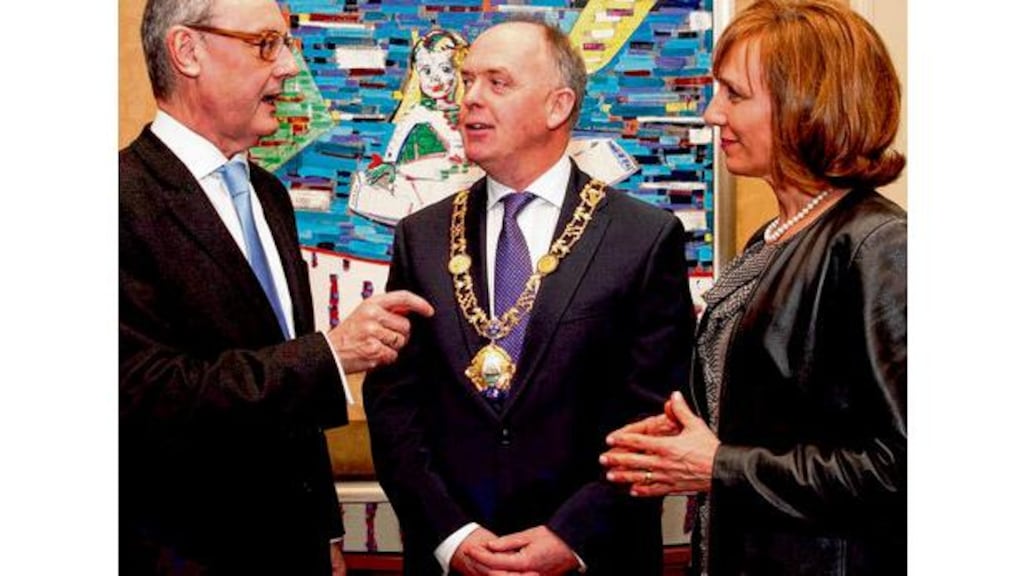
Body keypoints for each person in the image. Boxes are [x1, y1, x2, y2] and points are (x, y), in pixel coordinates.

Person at [363, 18, 696, 576]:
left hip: (593, 558)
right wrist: (452, 536)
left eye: (497, 82)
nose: (470, 98)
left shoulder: (642, 238)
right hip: (455, 558)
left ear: (557, 106)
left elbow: (654, 417)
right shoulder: (420, 237)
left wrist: (572, 537)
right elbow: (395, 405)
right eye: (468, 81)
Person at [120, 0, 434, 574]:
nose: (289, 66)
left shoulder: (269, 195)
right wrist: (331, 354)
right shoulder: (117, 200)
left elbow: (291, 405)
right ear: (187, 51)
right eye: (266, 44)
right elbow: (145, 398)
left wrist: (325, 530)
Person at [599, 1, 907, 574]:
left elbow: (901, 469)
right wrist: (692, 433)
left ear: (808, 105)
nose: (713, 114)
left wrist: (718, 465)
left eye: (735, 95)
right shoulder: (773, 237)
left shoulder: (879, 246)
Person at [349, 28, 482, 225]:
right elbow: (397, 142)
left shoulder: (473, 113)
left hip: (463, 181)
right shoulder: (419, 112)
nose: (434, 78)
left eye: (445, 69)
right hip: (424, 181)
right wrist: (389, 164)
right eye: (426, 71)